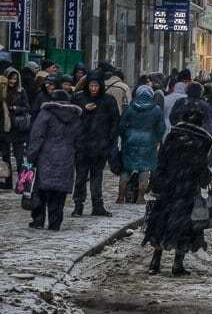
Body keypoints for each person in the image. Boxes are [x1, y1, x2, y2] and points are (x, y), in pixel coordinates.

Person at [142, 105, 212, 276]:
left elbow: (161, 163)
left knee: (161, 223)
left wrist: (157, 184)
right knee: (184, 227)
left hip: (168, 189)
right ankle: (177, 265)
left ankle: (155, 262)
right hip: (188, 191)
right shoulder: (202, 141)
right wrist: (207, 179)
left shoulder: (172, 137)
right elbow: (201, 169)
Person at [26, 90, 82, 230]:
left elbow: (36, 136)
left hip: (45, 156)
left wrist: (30, 157)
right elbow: (79, 139)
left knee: (41, 190)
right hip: (66, 157)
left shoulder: (46, 114)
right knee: (59, 192)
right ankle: (55, 223)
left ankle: (38, 221)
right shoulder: (75, 117)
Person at [71, 70, 120, 217]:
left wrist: (110, 140)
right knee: (80, 177)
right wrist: (84, 111)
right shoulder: (78, 99)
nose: (94, 89)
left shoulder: (108, 100)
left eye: (96, 86)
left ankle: (97, 205)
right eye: (91, 86)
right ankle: (78, 205)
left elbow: (115, 122)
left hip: (100, 146)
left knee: (97, 177)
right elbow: (71, 119)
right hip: (82, 145)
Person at [117, 85, 165, 204]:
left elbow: (121, 125)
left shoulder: (130, 108)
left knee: (127, 168)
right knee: (145, 168)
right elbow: (161, 128)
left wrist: (124, 137)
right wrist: (158, 139)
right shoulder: (156, 109)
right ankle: (140, 197)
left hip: (130, 139)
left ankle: (121, 196)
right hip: (148, 140)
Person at [0, 68, 30, 188]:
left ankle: (24, 183)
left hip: (18, 127)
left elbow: (27, 107)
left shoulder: (21, 91)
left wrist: (15, 109)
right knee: (6, 157)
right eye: (11, 78)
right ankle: (7, 183)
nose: (13, 81)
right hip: (5, 128)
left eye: (15, 79)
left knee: (20, 158)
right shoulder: (2, 91)